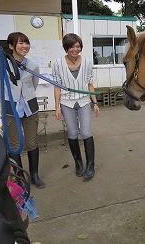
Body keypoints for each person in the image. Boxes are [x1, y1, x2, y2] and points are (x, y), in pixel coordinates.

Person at [52, 33, 99, 181]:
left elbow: (90, 84)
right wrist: (57, 106)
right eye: (72, 46)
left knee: (86, 132)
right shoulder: (58, 63)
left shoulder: (86, 62)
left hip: (84, 101)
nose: (75, 49)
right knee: (72, 133)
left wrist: (95, 102)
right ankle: (78, 163)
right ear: (66, 47)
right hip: (66, 102)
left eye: (78, 46)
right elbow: (57, 87)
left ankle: (90, 166)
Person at [5, 32, 45, 189]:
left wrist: (26, 97)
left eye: (26, 43)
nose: (25, 46)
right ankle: (20, 176)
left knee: (32, 142)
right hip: (10, 109)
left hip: (30, 108)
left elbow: (33, 85)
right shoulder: (3, 64)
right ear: (10, 46)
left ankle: (34, 175)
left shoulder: (33, 65)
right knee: (14, 145)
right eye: (20, 43)